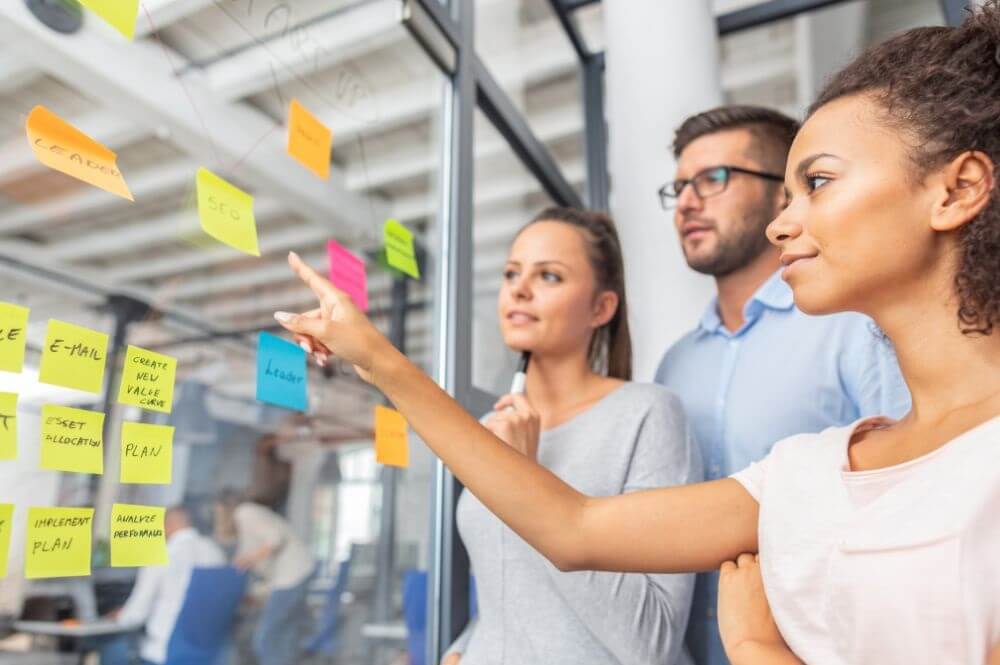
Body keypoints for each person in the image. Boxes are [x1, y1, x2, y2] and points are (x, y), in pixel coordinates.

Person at [274, 3, 1000, 661]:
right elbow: (574, 529)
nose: (785, 223)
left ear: (958, 188)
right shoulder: (804, 468)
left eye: (817, 183)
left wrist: (752, 647)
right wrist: (376, 358)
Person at [654, 105, 912, 664]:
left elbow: (908, 501)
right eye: (678, 187)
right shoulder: (673, 366)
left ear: (782, 197)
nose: (688, 203)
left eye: (713, 179)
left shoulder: (855, 329)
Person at [439, 207, 702, 665]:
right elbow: (512, 593)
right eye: (511, 273)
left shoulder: (648, 415)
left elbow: (653, 642)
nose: (518, 289)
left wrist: (527, 478)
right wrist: (461, 650)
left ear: (601, 308)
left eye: (550, 277)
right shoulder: (490, 431)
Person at [101, 506, 225, 665]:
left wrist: (120, 616)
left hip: (164, 652)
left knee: (112, 648)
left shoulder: (162, 555)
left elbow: (136, 614)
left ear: (166, 526)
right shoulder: (214, 552)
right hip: (205, 652)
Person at [215, 490, 315, 665]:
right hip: (296, 574)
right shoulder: (245, 523)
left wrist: (249, 559)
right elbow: (242, 560)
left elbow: (276, 539)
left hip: (292, 575)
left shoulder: (245, 512)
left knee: (266, 638)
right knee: (284, 636)